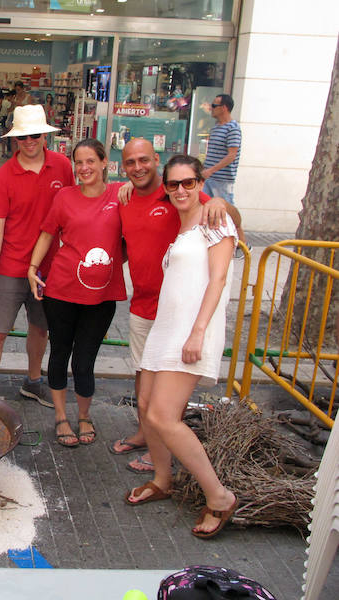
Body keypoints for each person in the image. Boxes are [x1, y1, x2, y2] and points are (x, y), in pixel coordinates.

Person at [124, 154, 238, 540]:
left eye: (188, 182)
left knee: (163, 416)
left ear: (200, 182)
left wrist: (198, 332)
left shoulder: (215, 222)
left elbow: (218, 280)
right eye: (173, 185)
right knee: (146, 408)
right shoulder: (184, 228)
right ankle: (162, 478)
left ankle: (219, 496)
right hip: (165, 330)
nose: (181, 191)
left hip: (191, 333)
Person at [111, 138, 234, 473]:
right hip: (145, 306)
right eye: (130, 162)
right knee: (144, 381)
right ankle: (145, 436)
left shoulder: (191, 201)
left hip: (180, 318)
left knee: (166, 397)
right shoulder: (125, 196)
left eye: (143, 160)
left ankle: (162, 448)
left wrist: (222, 200)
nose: (137, 167)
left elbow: (227, 222)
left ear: (155, 159)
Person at [27, 139, 125, 446]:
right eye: (78, 163)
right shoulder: (64, 196)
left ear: (104, 162)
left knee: (85, 361)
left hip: (102, 295)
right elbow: (47, 233)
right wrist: (32, 267)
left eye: (90, 162)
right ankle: (60, 416)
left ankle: (84, 416)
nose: (84, 168)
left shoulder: (121, 194)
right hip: (61, 290)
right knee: (59, 354)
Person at [0, 104, 73, 400]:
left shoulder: (62, 166)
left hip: (50, 268)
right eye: (23, 137)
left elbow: (75, 208)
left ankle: (33, 381)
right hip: (10, 266)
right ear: (14, 140)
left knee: (40, 328)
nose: (29, 141)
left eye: (34, 135)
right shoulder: (3, 176)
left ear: (44, 135)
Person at [202, 93, 246, 248]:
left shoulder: (233, 128)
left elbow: (231, 155)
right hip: (210, 176)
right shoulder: (216, 128)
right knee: (206, 207)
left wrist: (211, 170)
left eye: (215, 106)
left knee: (229, 211)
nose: (211, 109)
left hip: (222, 179)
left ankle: (242, 245)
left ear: (224, 108)